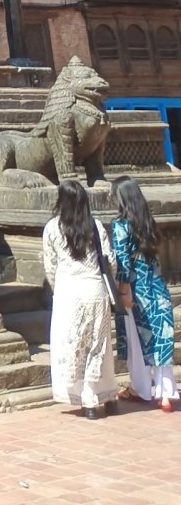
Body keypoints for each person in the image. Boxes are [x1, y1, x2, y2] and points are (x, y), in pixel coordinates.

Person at [42, 179, 118, 418]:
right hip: (95, 291)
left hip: (69, 293)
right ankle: (98, 394)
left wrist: (58, 290)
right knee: (98, 346)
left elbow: (50, 266)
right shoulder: (95, 226)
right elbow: (110, 262)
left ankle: (85, 400)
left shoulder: (53, 228)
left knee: (74, 346)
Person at [110, 176, 176, 412]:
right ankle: (166, 393)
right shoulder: (149, 223)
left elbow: (123, 263)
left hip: (136, 291)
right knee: (161, 337)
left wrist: (123, 291)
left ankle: (141, 387)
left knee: (136, 341)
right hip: (157, 289)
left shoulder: (120, 226)